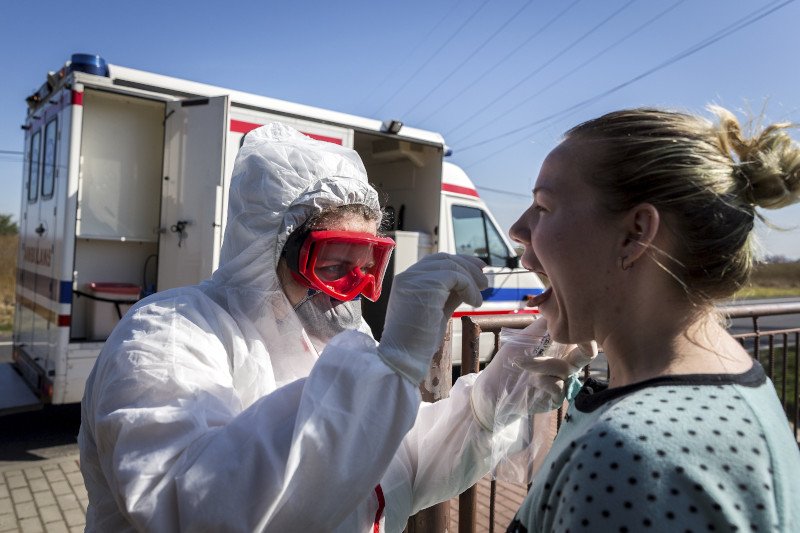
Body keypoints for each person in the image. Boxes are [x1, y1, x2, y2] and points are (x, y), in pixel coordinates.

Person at [78, 123, 591, 532]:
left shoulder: (326, 342)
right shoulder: (167, 336)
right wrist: (389, 368)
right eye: (331, 262)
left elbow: (397, 471)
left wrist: (502, 391)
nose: (342, 289)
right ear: (264, 250)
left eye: (365, 263)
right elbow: (198, 509)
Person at [505, 106, 800, 532]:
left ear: (636, 233)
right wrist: (586, 399)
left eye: (543, 207)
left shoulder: (633, 457)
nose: (518, 229)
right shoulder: (729, 380)